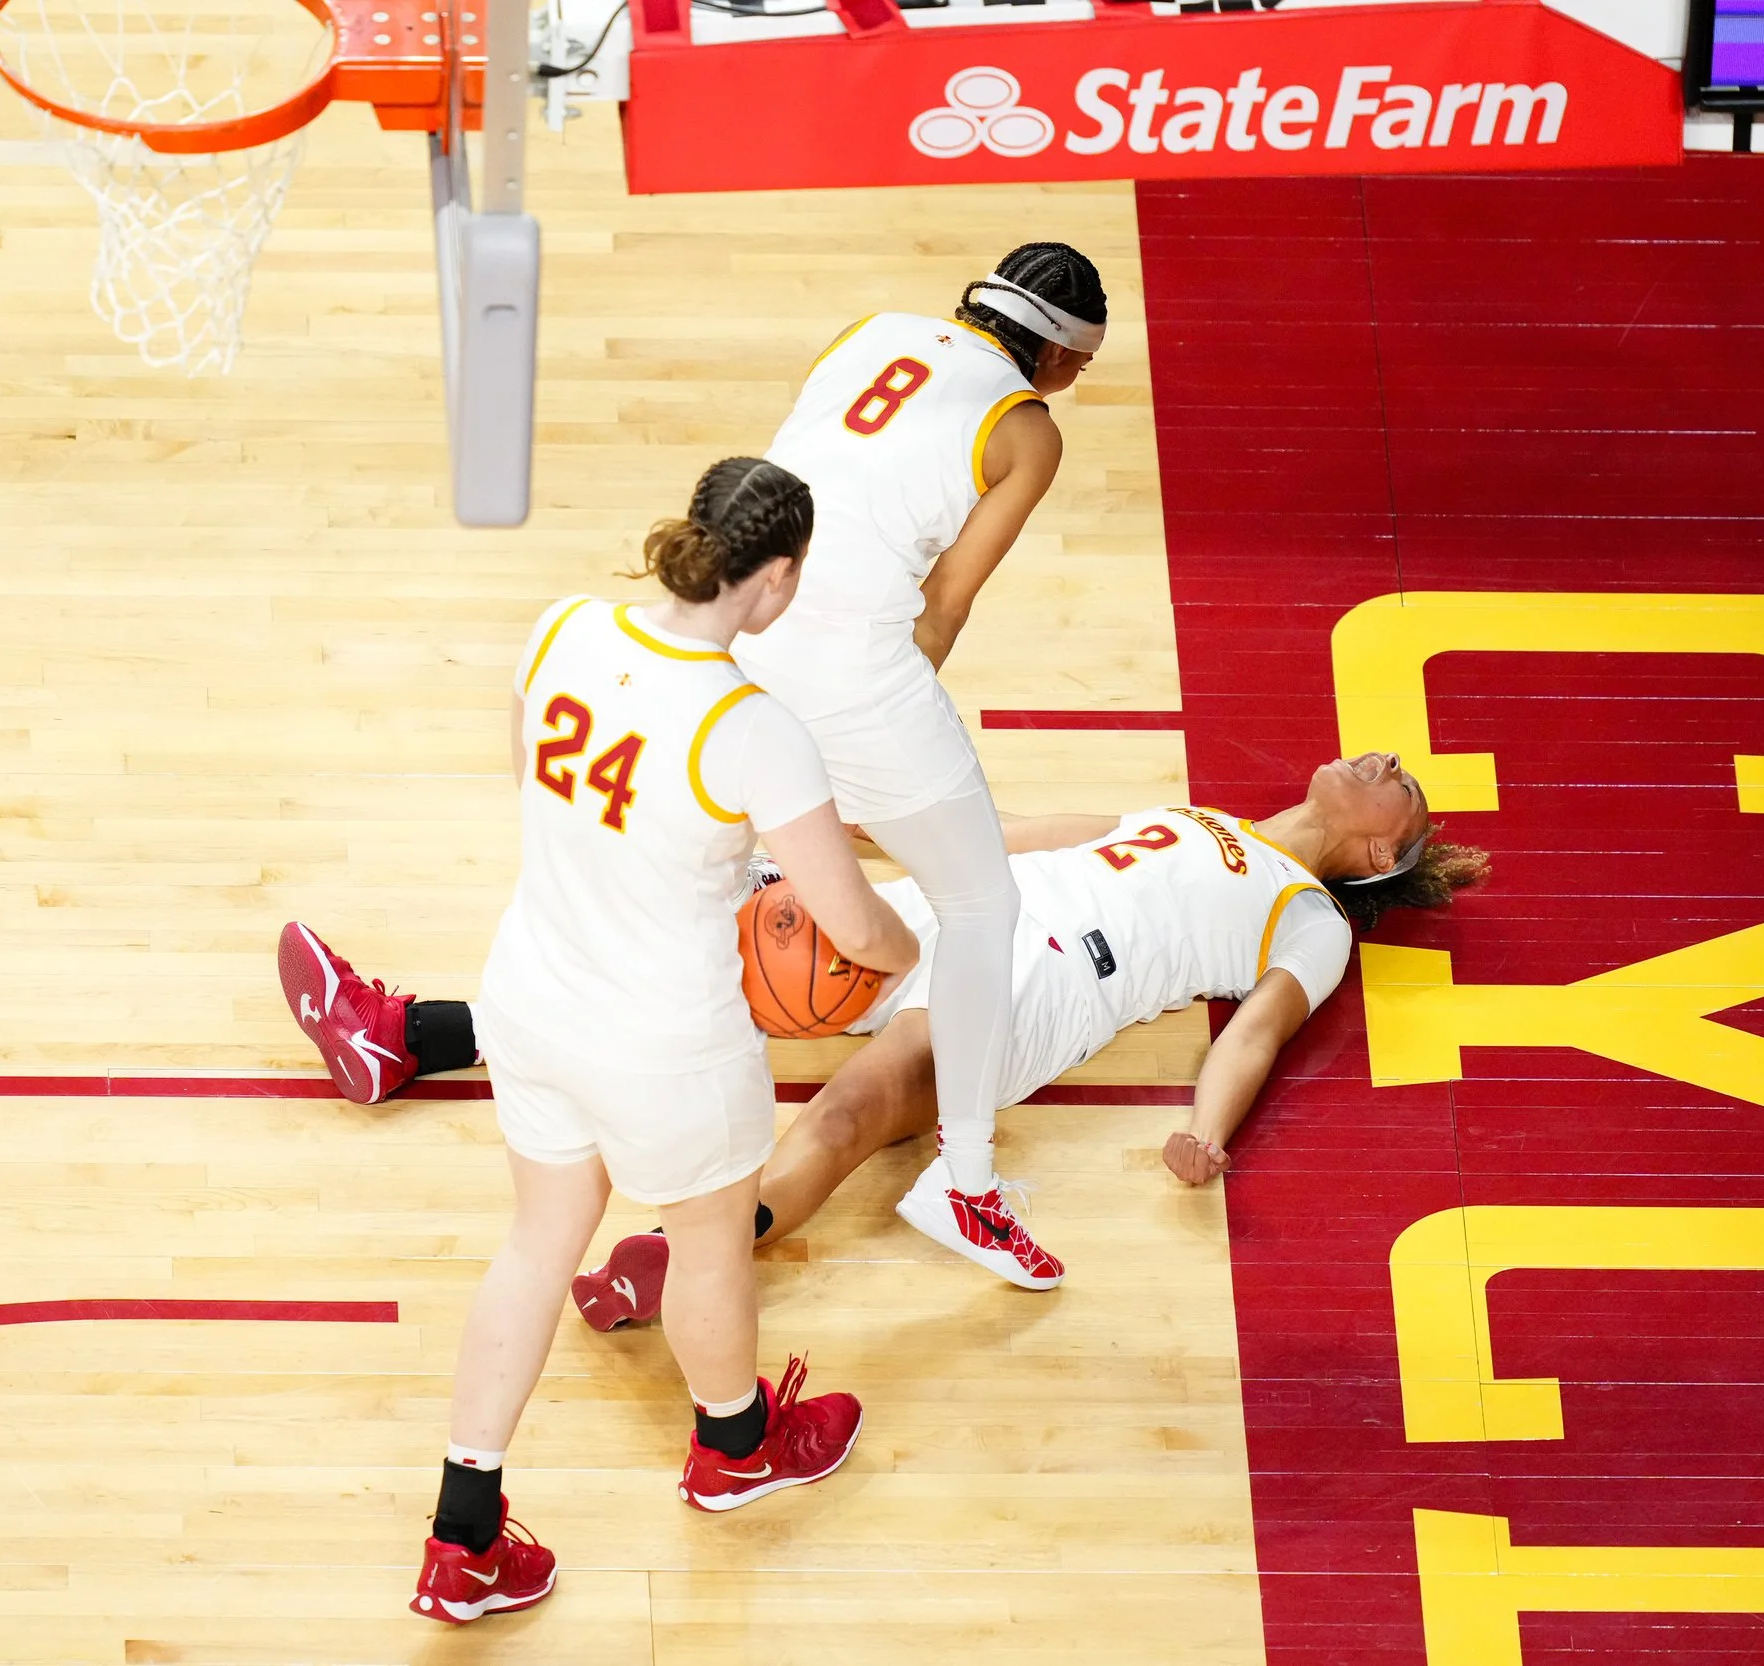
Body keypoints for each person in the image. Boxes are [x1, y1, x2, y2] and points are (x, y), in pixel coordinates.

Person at [279, 457, 921, 1625]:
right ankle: (734, 1447)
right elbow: (845, 916)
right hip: (664, 1041)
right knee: (711, 1244)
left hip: (529, 994)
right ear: (774, 580)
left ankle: (462, 1534)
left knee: (535, 1245)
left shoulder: (564, 624)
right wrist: (899, 951)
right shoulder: (751, 724)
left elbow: (527, 771)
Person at [283, 754, 1483, 1313]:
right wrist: (864, 840)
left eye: (1400, 786)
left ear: (1380, 848)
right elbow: (1021, 832)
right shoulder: (1199, 812)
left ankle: (677, 1260)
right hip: (951, 908)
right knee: (679, 963)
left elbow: (1256, 1035)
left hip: (1041, 981)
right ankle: (400, 1034)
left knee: (848, 1117)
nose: (1383, 756)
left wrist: (1205, 1134)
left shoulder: (1312, 920)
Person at [730, 242, 1112, 1289]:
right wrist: (875, 751)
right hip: (852, 661)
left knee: (685, 873)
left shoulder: (871, 333)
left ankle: (436, 1032)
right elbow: (943, 606)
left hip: (741, 627)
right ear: (1063, 357)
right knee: (982, 902)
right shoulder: (1028, 429)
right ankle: (968, 1181)